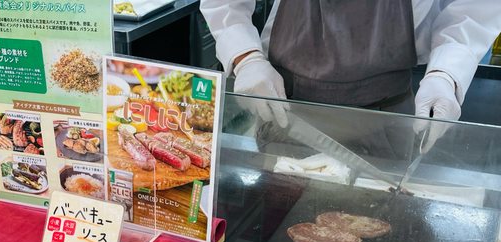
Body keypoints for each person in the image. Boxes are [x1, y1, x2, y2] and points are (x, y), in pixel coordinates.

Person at [200, 0, 501, 121]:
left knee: (386, 216)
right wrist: (246, 57)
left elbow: (472, 9)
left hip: (390, 114)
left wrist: (445, 74)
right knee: (280, 216)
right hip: (285, 106)